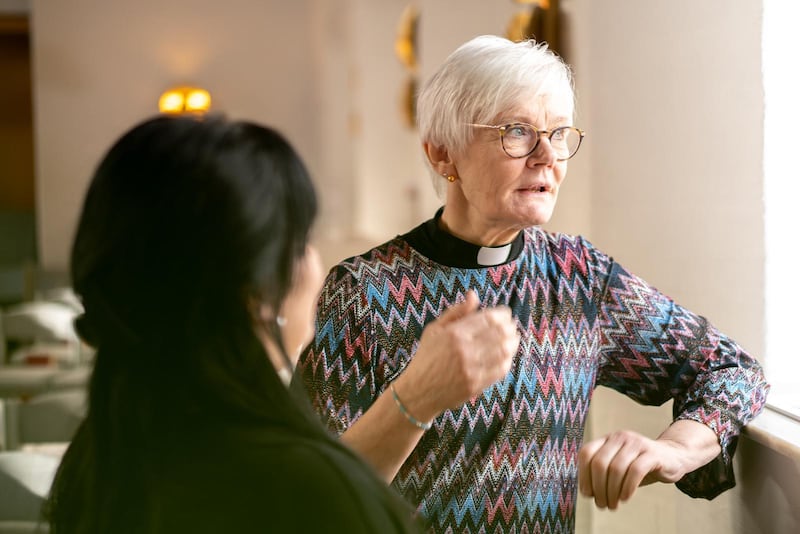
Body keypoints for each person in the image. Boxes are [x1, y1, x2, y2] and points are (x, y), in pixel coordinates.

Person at [296, 35, 769, 533]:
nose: (548, 156)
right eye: (517, 131)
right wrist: (415, 397)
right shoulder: (364, 294)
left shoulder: (581, 279)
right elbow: (309, 496)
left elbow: (730, 370)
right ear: (442, 155)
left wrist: (675, 448)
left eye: (559, 133)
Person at [45, 115, 421, 533]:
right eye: (301, 241)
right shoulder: (313, 492)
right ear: (257, 293)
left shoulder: (96, 457)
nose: (315, 263)